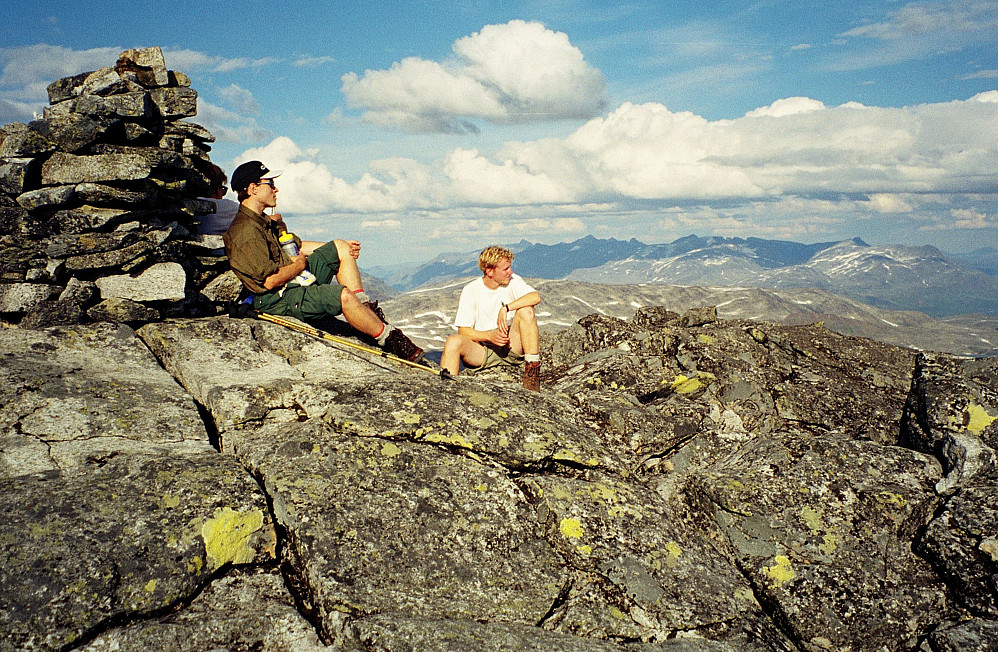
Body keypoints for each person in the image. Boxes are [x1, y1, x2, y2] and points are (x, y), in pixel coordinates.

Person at [222, 160, 423, 362]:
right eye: (270, 184)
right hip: (277, 298)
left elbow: (296, 247)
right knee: (342, 296)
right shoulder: (245, 233)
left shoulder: (265, 221)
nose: (276, 189)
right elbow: (269, 282)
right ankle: (390, 339)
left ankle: (367, 311)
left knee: (339, 246)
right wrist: (299, 265)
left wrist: (342, 246)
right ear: (253, 189)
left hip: (292, 280)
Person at [440, 246, 541, 391]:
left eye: (510, 267)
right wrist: (489, 336)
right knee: (453, 341)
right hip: (483, 350)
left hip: (511, 345)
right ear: (489, 271)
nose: (510, 272)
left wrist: (506, 308)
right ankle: (447, 390)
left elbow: (535, 297)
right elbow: (463, 331)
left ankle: (532, 372)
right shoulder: (471, 290)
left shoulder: (513, 280)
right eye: (505, 269)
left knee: (526, 311)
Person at [197, 163, 240, 235]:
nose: (221, 195)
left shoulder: (184, 207)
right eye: (221, 189)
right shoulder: (227, 208)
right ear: (217, 189)